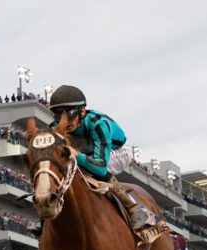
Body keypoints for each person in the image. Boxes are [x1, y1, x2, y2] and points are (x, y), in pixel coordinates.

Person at [29, 85, 152, 235]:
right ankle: (46, 217)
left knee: (89, 168)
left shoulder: (99, 124)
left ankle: (133, 208)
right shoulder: (54, 128)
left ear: (82, 111)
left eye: (70, 114)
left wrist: (77, 156)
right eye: (58, 115)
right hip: (87, 149)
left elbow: (100, 167)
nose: (65, 121)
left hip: (117, 151)